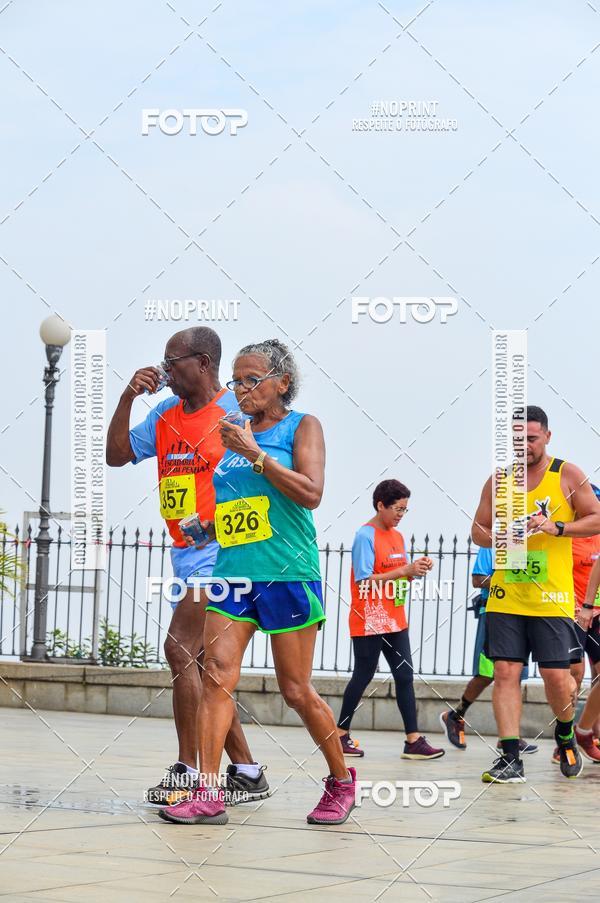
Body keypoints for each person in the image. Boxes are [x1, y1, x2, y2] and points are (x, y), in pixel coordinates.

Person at [160, 338, 357, 827]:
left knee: (295, 690)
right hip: (231, 574)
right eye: (237, 380)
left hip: (287, 574)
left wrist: (255, 456)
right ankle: (207, 792)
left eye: (252, 380)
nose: (242, 389)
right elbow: (241, 507)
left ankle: (340, 780)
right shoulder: (231, 430)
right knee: (216, 677)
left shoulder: (301, 426)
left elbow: (310, 494)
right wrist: (206, 527)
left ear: (281, 384)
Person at [106, 326, 268, 805]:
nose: (165, 369)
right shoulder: (164, 415)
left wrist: (215, 523)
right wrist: (126, 397)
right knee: (206, 666)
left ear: (202, 363)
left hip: (223, 554)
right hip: (184, 553)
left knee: (179, 649)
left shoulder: (234, 415)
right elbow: (116, 456)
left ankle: (188, 771)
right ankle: (247, 770)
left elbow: (261, 486)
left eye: (172, 362)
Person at [471, 405, 600, 783]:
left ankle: (564, 734)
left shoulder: (567, 474)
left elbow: (595, 516)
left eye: (530, 437)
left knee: (557, 679)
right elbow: (477, 529)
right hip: (506, 594)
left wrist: (554, 527)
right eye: (517, 439)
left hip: (552, 598)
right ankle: (510, 756)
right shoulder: (498, 480)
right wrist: (495, 536)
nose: (523, 445)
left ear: (547, 436)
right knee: (506, 671)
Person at [336, 479, 444, 760]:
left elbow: (400, 573)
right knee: (363, 675)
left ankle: (413, 740)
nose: (400, 514)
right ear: (380, 505)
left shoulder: (397, 536)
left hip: (395, 618)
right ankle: (339, 735)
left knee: (405, 675)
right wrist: (403, 570)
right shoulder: (365, 536)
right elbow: (363, 582)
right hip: (369, 617)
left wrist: (416, 568)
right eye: (397, 508)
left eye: (405, 510)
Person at [440, 545, 537, 755]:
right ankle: (456, 716)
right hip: (494, 612)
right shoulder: (491, 544)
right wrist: (511, 580)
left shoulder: (533, 545)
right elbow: (478, 579)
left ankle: (508, 737)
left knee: (516, 675)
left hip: (523, 611)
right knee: (486, 673)